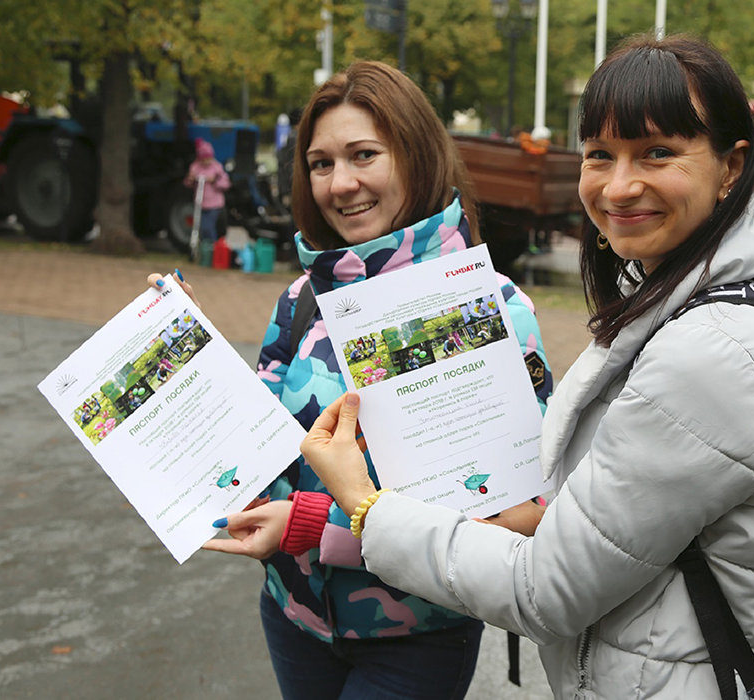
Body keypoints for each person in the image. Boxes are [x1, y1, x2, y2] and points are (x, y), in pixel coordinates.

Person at [291, 35, 754, 699]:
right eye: (600, 155)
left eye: (658, 152)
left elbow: (543, 590)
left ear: (731, 166)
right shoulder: (672, 306)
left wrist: (360, 507)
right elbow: (584, 514)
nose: (618, 185)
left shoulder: (712, 353)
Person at [150, 61, 553, 699]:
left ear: (417, 157)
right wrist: (182, 359)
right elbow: (257, 451)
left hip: (417, 635)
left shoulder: (489, 308)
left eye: (364, 155)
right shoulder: (301, 299)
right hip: (294, 618)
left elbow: (518, 514)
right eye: (320, 163)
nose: (341, 184)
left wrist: (313, 527)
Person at [184, 138, 231, 241]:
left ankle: (212, 249)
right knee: (201, 228)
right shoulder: (195, 167)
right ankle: (205, 249)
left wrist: (214, 181)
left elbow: (226, 184)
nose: (206, 161)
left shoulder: (216, 167)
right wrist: (190, 179)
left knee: (208, 227)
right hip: (200, 204)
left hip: (214, 205)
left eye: (208, 158)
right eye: (203, 159)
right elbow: (187, 183)